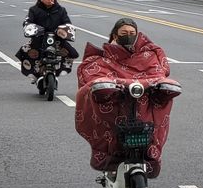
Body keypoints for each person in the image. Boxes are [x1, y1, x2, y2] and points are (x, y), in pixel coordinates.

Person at [75, 18, 176, 178]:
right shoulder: (103, 59)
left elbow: (158, 73)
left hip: (143, 99)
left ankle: (149, 155)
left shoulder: (148, 54)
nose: (128, 36)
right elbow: (93, 75)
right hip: (117, 100)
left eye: (131, 33)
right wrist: (109, 85)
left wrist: (155, 85)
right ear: (115, 35)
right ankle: (110, 158)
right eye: (124, 33)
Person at [21, 0, 77, 78]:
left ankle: (61, 69)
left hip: (57, 39)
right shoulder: (34, 10)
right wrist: (32, 28)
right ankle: (33, 73)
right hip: (39, 38)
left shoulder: (61, 10)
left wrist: (62, 30)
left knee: (73, 53)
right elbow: (27, 22)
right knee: (24, 51)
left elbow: (67, 23)